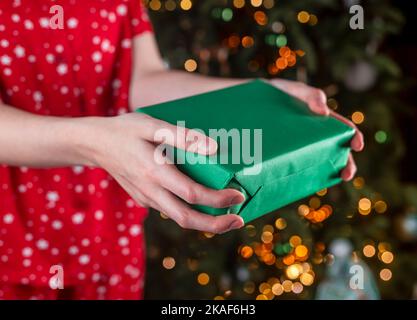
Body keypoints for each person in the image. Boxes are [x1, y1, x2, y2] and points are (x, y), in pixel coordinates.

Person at [0, 0, 364, 299]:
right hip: (13, 244)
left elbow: (142, 80)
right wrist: (94, 143)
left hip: (108, 236)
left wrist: (255, 95)